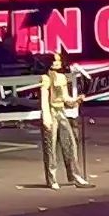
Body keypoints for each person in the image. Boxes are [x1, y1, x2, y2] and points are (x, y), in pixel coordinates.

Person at [39, 51, 92, 189]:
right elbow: (44, 99)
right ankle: (52, 179)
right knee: (50, 148)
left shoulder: (62, 77)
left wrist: (76, 101)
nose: (58, 62)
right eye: (55, 60)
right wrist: (46, 118)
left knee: (70, 143)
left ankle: (75, 175)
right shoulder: (46, 78)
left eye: (59, 60)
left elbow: (65, 98)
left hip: (61, 112)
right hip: (51, 112)